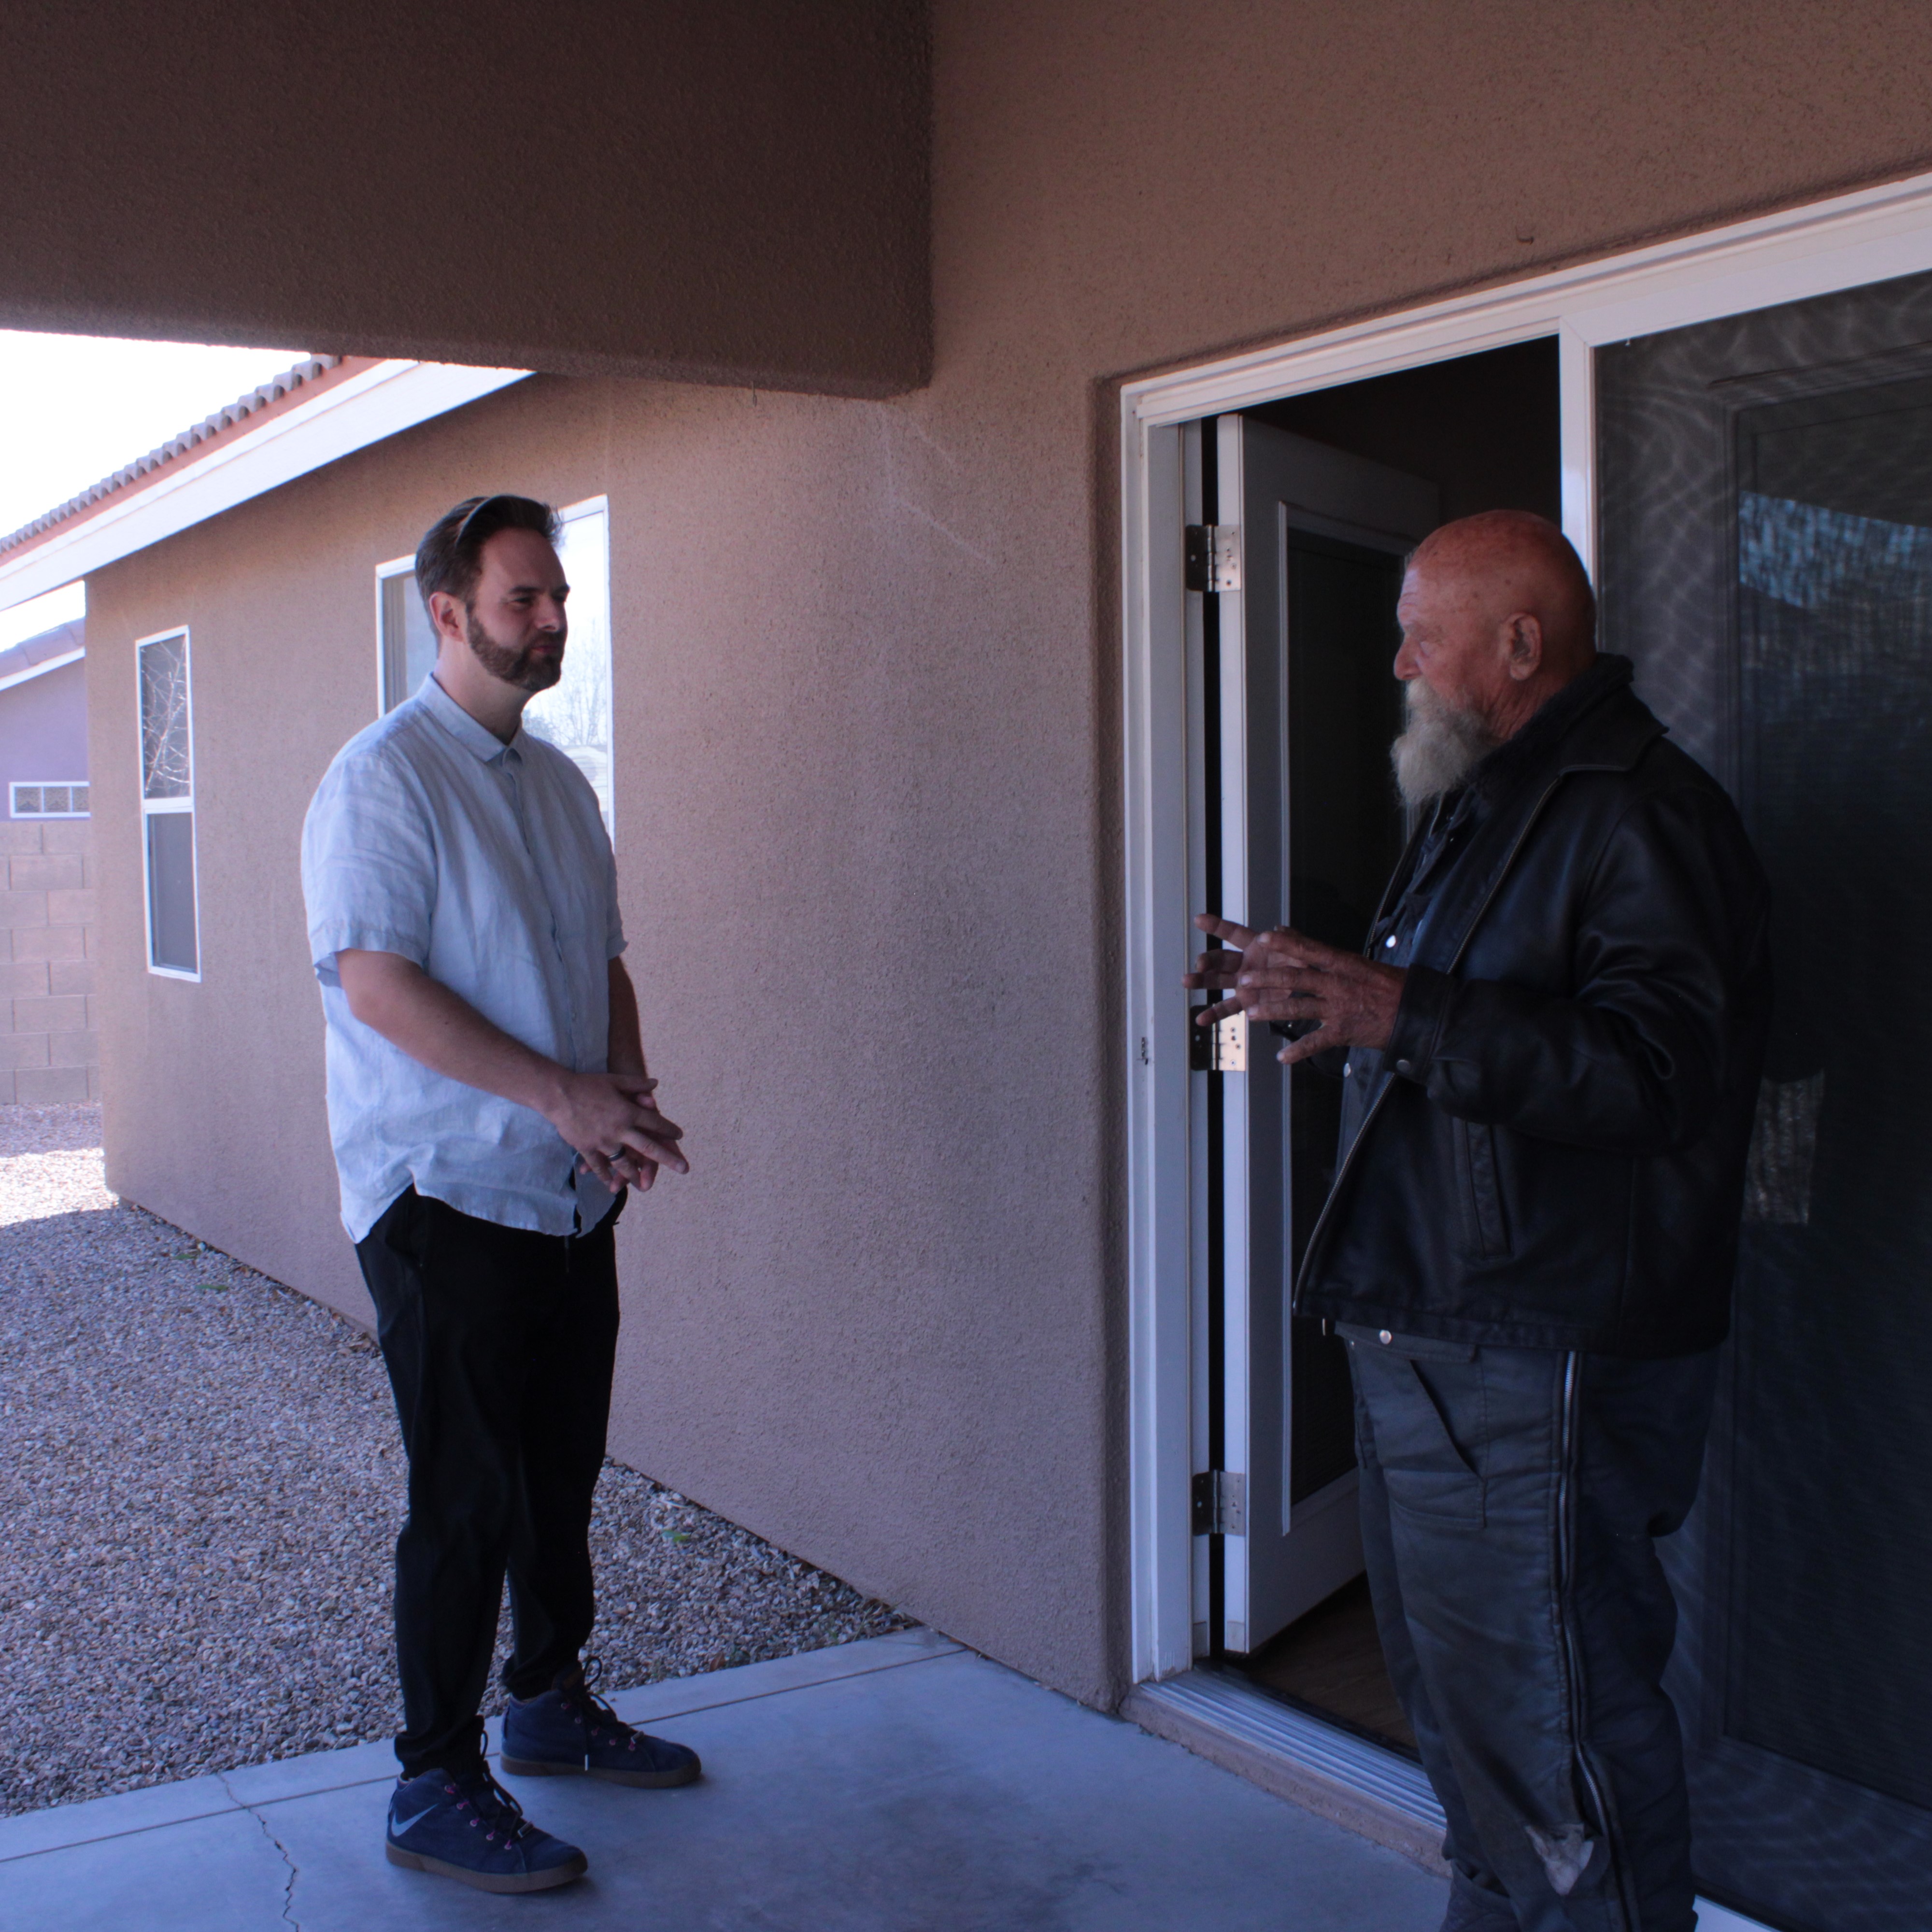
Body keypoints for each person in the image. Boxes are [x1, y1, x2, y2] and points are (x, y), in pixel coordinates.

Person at [1186, 511, 1771, 1932]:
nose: (1399, 663)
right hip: (1448, 1339)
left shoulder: (1641, 812)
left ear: (1519, 643)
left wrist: (1400, 1009)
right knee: (1473, 1728)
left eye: (1421, 635)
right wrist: (1344, 998)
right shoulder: (1485, 799)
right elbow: (1465, 1027)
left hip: (1537, 1354)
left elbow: (1662, 1076)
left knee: (1558, 1747)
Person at [301, 494, 699, 1895]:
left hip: (566, 1192)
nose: (551, 622)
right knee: (465, 1495)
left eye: (559, 598)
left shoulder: (561, 786)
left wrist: (622, 1091)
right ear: (448, 614)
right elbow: (377, 984)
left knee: (558, 1470)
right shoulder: (384, 780)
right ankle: (432, 1780)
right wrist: (560, 1097)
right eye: (523, 599)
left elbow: (604, 961)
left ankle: (547, 1704)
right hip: (444, 1192)